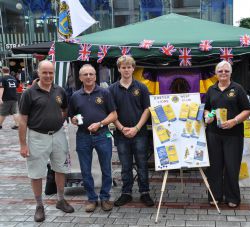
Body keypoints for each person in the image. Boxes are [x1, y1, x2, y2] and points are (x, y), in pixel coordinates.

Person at [18, 60, 74, 222]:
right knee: (36, 173)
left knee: (61, 168)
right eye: (45, 72)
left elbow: (64, 110)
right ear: (38, 72)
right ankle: (39, 205)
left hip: (58, 135)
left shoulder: (60, 90)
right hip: (37, 137)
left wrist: (55, 120)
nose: (48, 75)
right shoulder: (29, 93)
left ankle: (61, 200)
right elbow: (22, 120)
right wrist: (23, 144)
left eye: (51, 72)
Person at [68, 64, 117, 212]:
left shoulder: (105, 92)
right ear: (80, 77)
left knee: (106, 168)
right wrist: (74, 120)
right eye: (85, 74)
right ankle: (91, 198)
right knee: (85, 170)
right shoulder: (75, 96)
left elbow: (114, 115)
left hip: (103, 135)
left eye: (91, 74)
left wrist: (100, 123)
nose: (89, 77)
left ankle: (105, 197)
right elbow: (72, 116)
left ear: (95, 76)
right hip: (83, 136)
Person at [204, 60, 250, 208]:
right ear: (216, 73)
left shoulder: (238, 89)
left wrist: (234, 121)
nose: (223, 73)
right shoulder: (211, 90)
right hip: (213, 134)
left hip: (234, 134)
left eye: (226, 71)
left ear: (231, 73)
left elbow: (247, 110)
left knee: (232, 166)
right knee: (214, 167)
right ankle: (215, 196)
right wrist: (208, 116)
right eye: (220, 71)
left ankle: (232, 197)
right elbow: (207, 108)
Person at [109, 55, 154, 207]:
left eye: (129, 67)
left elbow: (147, 109)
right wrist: (121, 128)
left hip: (139, 134)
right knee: (125, 166)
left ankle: (145, 192)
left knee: (142, 164)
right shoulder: (112, 89)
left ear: (133, 68)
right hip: (121, 134)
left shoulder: (141, 87)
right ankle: (126, 193)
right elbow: (111, 112)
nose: (126, 70)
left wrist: (136, 128)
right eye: (123, 67)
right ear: (119, 69)